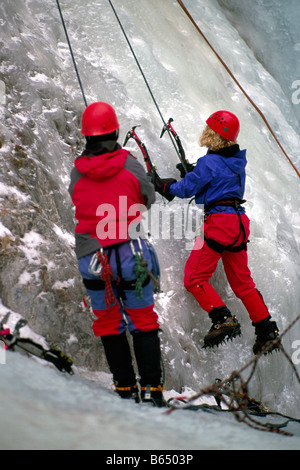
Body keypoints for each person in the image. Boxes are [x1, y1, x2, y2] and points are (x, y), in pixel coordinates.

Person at [154, 110, 280, 355]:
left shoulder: (209, 162)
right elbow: (220, 183)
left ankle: (222, 318)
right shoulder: (236, 162)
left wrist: (164, 186)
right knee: (243, 283)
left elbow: (186, 189)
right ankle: (267, 331)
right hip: (239, 224)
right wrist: (194, 172)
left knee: (194, 278)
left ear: (212, 134)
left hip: (219, 224)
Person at [68, 101, 165, 406]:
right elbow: (146, 196)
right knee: (143, 319)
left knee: (109, 322)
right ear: (115, 130)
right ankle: (152, 390)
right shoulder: (130, 163)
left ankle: (125, 389)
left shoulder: (76, 170)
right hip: (130, 251)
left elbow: (77, 198)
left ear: (86, 135)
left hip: (93, 257)